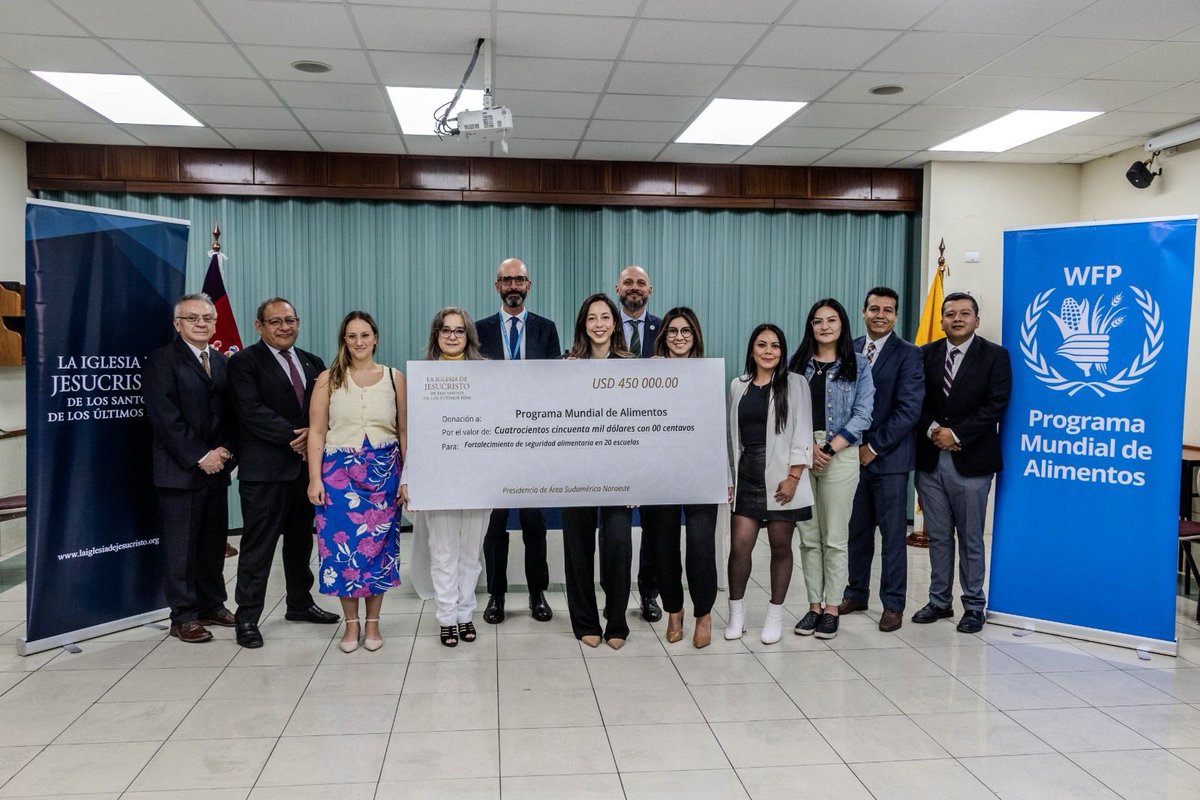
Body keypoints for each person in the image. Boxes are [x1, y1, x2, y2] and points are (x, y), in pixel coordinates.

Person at [228, 298, 340, 649]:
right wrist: (299, 436)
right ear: (259, 326)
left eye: (290, 320)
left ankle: (299, 603)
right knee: (258, 547)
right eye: (275, 321)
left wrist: (313, 434)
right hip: (265, 473)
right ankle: (246, 617)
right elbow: (251, 411)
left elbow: (328, 408)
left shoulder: (314, 363)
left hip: (306, 472)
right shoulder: (244, 362)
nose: (284, 327)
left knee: (299, 542)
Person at [912, 292, 1012, 634]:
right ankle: (939, 601)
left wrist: (956, 434)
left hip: (972, 461)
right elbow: (915, 399)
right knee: (939, 536)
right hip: (929, 460)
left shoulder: (995, 356)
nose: (957, 319)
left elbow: (996, 405)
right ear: (941, 320)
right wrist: (933, 430)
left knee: (970, 537)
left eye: (964, 313)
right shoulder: (924, 355)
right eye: (950, 314)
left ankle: (973, 605)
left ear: (976, 320)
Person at [306, 311, 406, 653]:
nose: (359, 342)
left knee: (378, 552)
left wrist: (408, 477)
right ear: (344, 340)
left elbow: (404, 431)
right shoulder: (327, 379)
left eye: (365, 335)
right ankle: (351, 626)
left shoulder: (394, 378)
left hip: (383, 475)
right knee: (341, 553)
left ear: (375, 338)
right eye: (352, 336)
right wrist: (314, 479)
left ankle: (374, 625)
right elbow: (317, 431)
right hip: (338, 476)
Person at [144, 293, 237, 644]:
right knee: (181, 548)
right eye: (193, 318)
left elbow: (233, 414)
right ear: (177, 324)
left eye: (207, 318)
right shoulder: (161, 361)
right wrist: (201, 456)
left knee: (213, 545)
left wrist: (225, 451)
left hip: (218, 470)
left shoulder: (223, 362)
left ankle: (212, 603)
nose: (202, 324)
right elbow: (165, 418)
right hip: (180, 472)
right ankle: (183, 616)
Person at [476, 257, 561, 625]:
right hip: (492, 442)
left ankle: (537, 593)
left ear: (529, 285)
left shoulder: (547, 329)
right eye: (507, 280)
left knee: (533, 524)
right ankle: (495, 595)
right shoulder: (478, 330)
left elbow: (557, 383)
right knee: (494, 526)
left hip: (533, 443)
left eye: (520, 280)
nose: (513, 285)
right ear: (497, 286)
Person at [400, 308, 490, 647]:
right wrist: (408, 476)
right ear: (436, 335)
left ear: (469, 336)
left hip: (478, 478)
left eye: (459, 330)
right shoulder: (423, 376)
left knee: (470, 553)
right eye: (445, 330)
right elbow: (413, 433)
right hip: (436, 477)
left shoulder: (486, 375)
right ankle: (446, 617)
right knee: (442, 552)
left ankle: (466, 614)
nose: (452, 336)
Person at [787, 299, 874, 640]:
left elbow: (863, 414)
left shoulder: (859, 365)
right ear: (810, 327)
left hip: (840, 453)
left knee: (835, 538)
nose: (824, 326)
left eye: (831, 320)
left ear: (842, 325)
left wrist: (826, 448)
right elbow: (787, 411)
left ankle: (833, 608)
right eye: (818, 321)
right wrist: (807, 448)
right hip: (801, 453)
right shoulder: (797, 365)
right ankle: (813, 606)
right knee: (808, 538)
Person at [839, 287, 924, 632]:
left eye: (888, 310)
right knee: (856, 533)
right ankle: (856, 592)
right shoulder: (851, 348)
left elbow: (909, 410)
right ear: (863, 311)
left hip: (888, 461)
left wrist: (872, 448)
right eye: (874, 308)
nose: (880, 315)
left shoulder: (909, 354)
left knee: (891, 536)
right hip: (849, 460)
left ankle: (893, 604)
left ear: (895, 316)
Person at [639, 306, 723, 648]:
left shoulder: (709, 373)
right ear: (663, 337)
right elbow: (638, 427)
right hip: (660, 473)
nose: (678, 337)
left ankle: (703, 613)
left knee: (701, 546)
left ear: (695, 336)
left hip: (702, 472)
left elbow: (720, 428)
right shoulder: (650, 374)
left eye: (685, 331)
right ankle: (674, 611)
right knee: (663, 547)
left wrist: (726, 475)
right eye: (672, 331)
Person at [726, 324, 813, 645]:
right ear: (752, 350)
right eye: (762, 345)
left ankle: (775, 615)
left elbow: (803, 431)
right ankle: (737, 614)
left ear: (782, 351)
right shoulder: (738, 385)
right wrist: (728, 478)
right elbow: (728, 436)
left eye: (775, 346)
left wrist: (793, 478)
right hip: (747, 477)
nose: (768, 351)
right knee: (740, 548)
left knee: (780, 547)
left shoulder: (795, 384)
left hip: (781, 479)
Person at [561, 293, 635, 649]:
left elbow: (643, 427)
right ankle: (585, 621)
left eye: (605, 317)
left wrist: (638, 481)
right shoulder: (566, 365)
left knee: (618, 545)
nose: (599, 324)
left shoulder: (633, 367)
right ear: (583, 325)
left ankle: (617, 621)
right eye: (592, 318)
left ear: (615, 323)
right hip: (575, 472)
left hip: (620, 475)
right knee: (577, 547)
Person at [614, 265, 663, 622]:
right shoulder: (602, 325)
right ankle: (613, 594)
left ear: (650, 289)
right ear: (618, 288)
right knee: (615, 528)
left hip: (655, 443)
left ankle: (649, 594)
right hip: (610, 441)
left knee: (655, 526)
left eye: (641, 283)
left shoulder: (666, 330)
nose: (634, 288)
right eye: (628, 282)